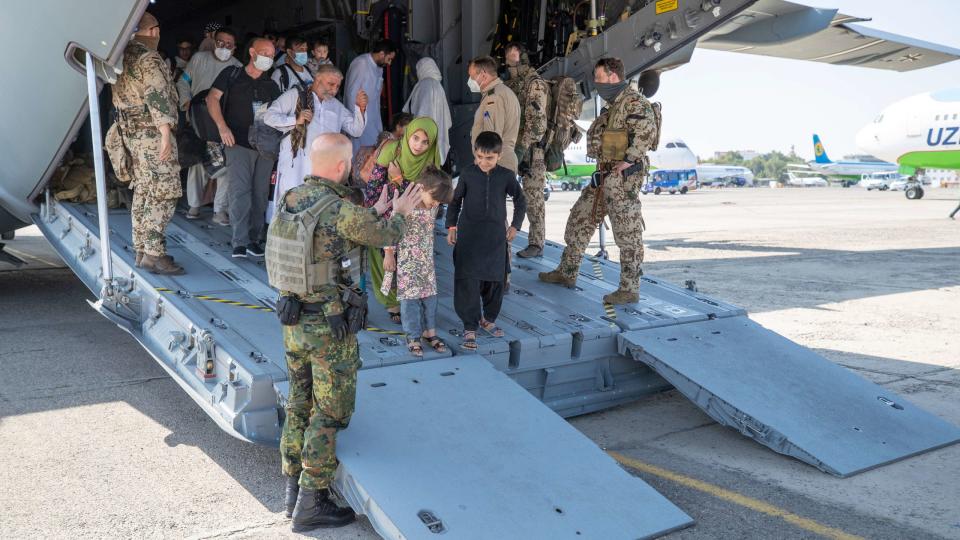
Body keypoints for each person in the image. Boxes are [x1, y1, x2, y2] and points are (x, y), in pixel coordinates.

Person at [268, 133, 422, 532]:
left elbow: (338, 236)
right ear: (340, 166)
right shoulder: (337, 208)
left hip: (293, 321)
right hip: (327, 328)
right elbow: (386, 236)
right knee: (330, 412)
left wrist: (379, 210)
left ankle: (291, 490)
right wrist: (400, 210)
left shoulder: (291, 199)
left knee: (300, 401)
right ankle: (311, 503)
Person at [539, 57, 658, 305]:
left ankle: (629, 288)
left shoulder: (634, 101)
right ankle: (567, 272)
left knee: (627, 233)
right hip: (603, 176)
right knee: (579, 220)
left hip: (621, 179)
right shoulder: (612, 105)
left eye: (599, 76)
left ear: (613, 75)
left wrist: (629, 160)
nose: (596, 82)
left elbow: (646, 132)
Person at [108, 12, 185, 275]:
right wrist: (165, 133)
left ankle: (141, 249)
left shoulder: (121, 56)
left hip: (131, 136)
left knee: (143, 190)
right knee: (164, 191)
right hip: (152, 135)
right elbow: (157, 95)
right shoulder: (148, 58)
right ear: (152, 31)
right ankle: (154, 254)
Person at [445, 132, 526, 350]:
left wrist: (515, 226)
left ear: (499, 156)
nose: (483, 162)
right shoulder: (468, 174)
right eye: (479, 156)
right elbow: (455, 202)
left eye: (489, 158)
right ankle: (470, 326)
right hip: (469, 238)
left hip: (495, 239)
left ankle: (488, 319)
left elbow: (520, 200)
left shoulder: (506, 176)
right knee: (468, 282)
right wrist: (451, 227)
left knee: (495, 281)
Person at [206, 37, 281, 258]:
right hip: (237, 142)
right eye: (264, 53)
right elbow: (212, 99)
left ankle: (254, 239)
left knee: (260, 193)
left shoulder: (271, 85)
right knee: (240, 192)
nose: (268, 58)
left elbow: (279, 114)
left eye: (271, 54)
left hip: (264, 147)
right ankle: (239, 240)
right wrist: (222, 128)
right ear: (251, 52)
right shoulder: (232, 74)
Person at [363, 117, 442, 324]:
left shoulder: (432, 161)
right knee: (384, 261)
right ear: (408, 135)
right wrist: (374, 216)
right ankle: (391, 303)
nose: (418, 145)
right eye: (415, 138)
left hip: (414, 220)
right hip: (386, 212)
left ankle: (408, 300)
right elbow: (374, 186)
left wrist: (398, 179)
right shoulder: (391, 150)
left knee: (407, 261)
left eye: (425, 142)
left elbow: (425, 195)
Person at [264, 63, 367, 221]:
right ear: (317, 79)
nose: (334, 90)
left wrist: (360, 109)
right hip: (295, 163)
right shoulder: (295, 96)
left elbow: (356, 130)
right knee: (289, 205)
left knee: (316, 209)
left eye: (337, 86)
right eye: (330, 84)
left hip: (322, 168)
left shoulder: (336, 106)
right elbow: (269, 116)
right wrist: (295, 120)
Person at [177, 27, 242, 224]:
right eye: (221, 43)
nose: (224, 47)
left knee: (225, 165)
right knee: (197, 163)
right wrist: (186, 102)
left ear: (235, 47)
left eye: (229, 45)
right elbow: (183, 82)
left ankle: (219, 210)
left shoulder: (237, 67)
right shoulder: (198, 59)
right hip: (198, 120)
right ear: (215, 42)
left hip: (223, 124)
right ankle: (194, 205)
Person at [396, 166, 454, 356]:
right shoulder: (406, 203)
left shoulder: (433, 205)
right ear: (421, 188)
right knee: (410, 301)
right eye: (434, 198)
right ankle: (412, 336)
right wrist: (389, 254)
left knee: (430, 297)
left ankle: (430, 332)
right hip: (408, 262)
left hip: (426, 262)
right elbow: (391, 227)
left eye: (439, 201)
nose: (435, 204)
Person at [504, 43, 550, 259]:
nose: (509, 62)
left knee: (533, 197)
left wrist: (522, 149)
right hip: (516, 147)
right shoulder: (514, 84)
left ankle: (537, 243)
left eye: (513, 59)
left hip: (533, 152)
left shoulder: (535, 84)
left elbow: (537, 126)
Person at [467, 56, 521, 173]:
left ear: (483, 74)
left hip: (495, 164)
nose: (470, 81)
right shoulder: (501, 92)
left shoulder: (494, 97)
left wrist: (483, 162)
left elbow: (492, 136)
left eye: (472, 77)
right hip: (498, 162)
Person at [345, 40, 397, 153]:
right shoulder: (361, 63)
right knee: (360, 154)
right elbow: (351, 95)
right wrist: (355, 123)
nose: (389, 63)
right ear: (382, 54)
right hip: (360, 120)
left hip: (374, 119)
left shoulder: (379, 68)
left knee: (374, 153)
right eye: (389, 59)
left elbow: (375, 98)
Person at [402, 57, 452, 165]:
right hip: (435, 142)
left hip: (424, 144)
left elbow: (423, 115)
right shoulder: (437, 85)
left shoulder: (425, 84)